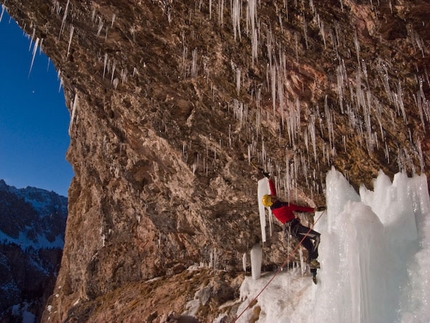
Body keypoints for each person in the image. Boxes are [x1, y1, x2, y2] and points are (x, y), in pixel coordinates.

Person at [261, 175, 325, 272]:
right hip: (297, 228)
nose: (273, 196)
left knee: (310, 247)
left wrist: (270, 180)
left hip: (293, 230)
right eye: (271, 197)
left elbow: (273, 192)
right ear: (272, 201)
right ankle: (313, 261)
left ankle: (313, 271)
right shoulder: (283, 207)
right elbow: (300, 208)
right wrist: (314, 210)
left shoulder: (275, 208)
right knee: (317, 237)